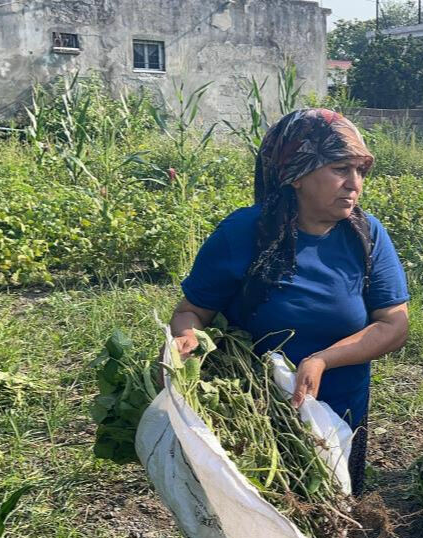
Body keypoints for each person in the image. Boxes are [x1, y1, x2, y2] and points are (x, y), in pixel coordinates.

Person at [166, 108, 410, 495]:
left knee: (334, 508)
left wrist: (322, 360)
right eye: (340, 169)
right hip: (255, 413)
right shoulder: (244, 233)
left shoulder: (366, 235)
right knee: (259, 507)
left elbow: (393, 324)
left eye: (360, 171)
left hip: (341, 411)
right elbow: (191, 312)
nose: (355, 184)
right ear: (297, 174)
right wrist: (187, 338)